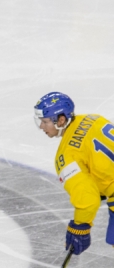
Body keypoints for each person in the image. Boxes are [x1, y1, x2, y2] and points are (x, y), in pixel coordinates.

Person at [34, 91, 114, 255]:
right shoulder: (93, 118)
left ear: (61, 120)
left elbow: (88, 200)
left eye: (45, 121)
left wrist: (79, 227)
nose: (41, 126)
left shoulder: (66, 156)